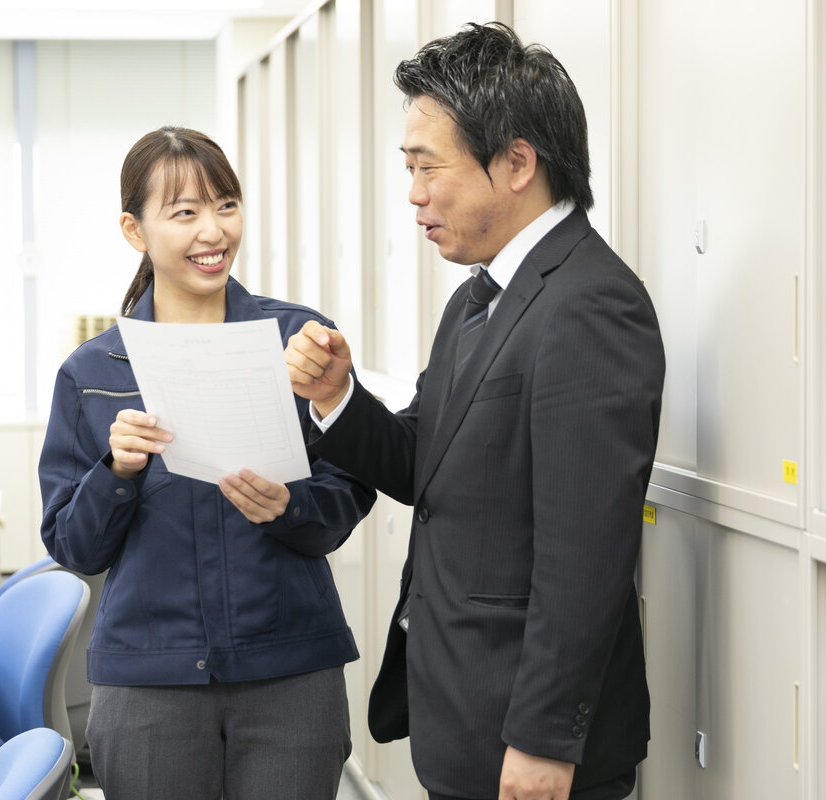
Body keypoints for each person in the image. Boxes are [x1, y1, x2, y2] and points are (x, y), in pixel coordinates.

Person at [285, 23, 665, 800]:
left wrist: (543, 741)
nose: (416, 194)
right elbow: (428, 460)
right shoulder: (477, 300)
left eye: (429, 167)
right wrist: (337, 399)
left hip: (530, 751)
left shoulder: (591, 305)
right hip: (463, 722)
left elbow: (585, 553)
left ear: (517, 162)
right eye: (409, 169)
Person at [39, 126, 376, 800]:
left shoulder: (298, 341)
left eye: (225, 205)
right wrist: (116, 474)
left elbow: (350, 494)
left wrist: (290, 506)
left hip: (289, 677)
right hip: (148, 686)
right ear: (135, 231)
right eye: (184, 212)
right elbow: (74, 546)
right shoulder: (94, 372)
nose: (212, 231)